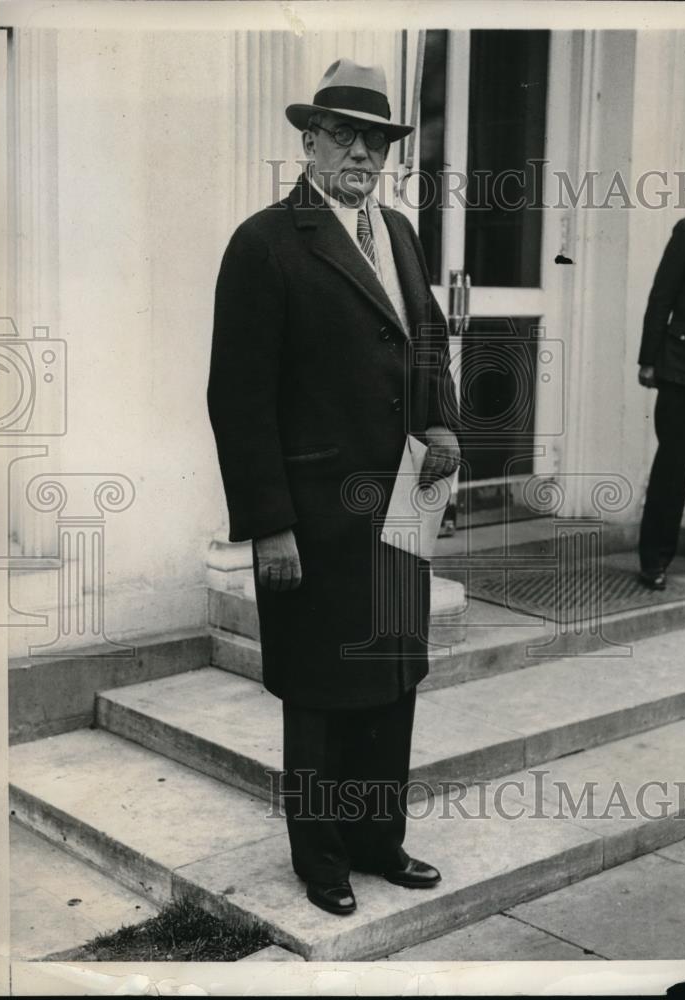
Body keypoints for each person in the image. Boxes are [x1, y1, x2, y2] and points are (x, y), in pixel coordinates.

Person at [207, 58, 460, 917]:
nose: (362, 152)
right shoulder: (265, 242)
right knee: (319, 691)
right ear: (308, 140)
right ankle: (321, 861)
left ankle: (377, 842)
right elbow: (236, 401)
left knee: (392, 677)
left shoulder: (397, 229)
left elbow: (428, 343)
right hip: (315, 519)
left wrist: (445, 427)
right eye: (344, 134)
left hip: (398, 507)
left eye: (377, 139)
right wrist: (269, 526)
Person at [637, 214, 685, 589]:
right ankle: (654, 561)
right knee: (672, 467)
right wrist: (648, 359)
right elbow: (662, 296)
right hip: (682, 369)